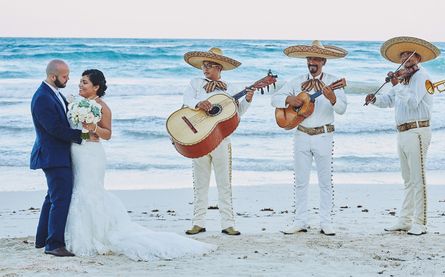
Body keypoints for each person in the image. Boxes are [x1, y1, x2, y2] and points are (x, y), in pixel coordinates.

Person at [64, 69, 216, 260]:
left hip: (91, 155)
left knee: (88, 192)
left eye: (84, 82)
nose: (80, 85)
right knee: (77, 191)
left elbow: (107, 134)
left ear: (96, 87)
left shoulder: (103, 107)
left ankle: (92, 236)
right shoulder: (76, 103)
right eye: (80, 81)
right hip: (75, 152)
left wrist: (92, 127)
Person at [271, 40, 348, 236]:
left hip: (324, 135)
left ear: (323, 61)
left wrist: (332, 98)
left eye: (316, 59)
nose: (312, 62)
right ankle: (300, 221)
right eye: (309, 58)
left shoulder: (334, 80)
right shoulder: (296, 81)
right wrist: (289, 99)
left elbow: (342, 109)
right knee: (300, 181)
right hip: (301, 134)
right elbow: (275, 99)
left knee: (325, 181)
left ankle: (326, 222)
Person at [365, 37, 440, 235]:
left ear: (418, 58)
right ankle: (405, 220)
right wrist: (374, 99)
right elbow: (390, 101)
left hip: (417, 131)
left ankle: (421, 223)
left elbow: (413, 102)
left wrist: (397, 84)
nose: (406, 58)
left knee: (418, 179)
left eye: (410, 55)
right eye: (403, 55)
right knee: (407, 179)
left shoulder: (422, 76)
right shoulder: (404, 78)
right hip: (403, 132)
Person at [182, 47, 255, 236]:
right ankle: (198, 222)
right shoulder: (195, 83)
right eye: (204, 66)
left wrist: (247, 100)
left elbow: (237, 114)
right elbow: (186, 100)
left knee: (224, 183)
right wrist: (198, 103)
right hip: (198, 137)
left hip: (222, 139)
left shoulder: (230, 88)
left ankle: (228, 223)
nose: (205, 69)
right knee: (200, 183)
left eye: (210, 66)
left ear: (219, 67)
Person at [31, 59, 83, 257]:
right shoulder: (43, 97)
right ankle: (54, 244)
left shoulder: (54, 93)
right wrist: (82, 136)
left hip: (56, 154)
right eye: (64, 76)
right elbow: (54, 129)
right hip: (53, 155)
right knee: (61, 198)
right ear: (53, 76)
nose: (68, 79)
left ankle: (42, 238)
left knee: (51, 197)